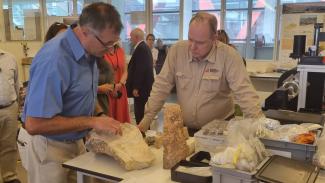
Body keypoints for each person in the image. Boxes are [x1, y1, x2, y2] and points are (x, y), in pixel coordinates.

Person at [22, 2, 123, 183]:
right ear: (85, 31)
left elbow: (82, 94)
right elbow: (34, 124)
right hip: (50, 148)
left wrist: (100, 116)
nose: (110, 51)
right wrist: (92, 121)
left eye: (113, 44)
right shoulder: (54, 59)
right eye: (107, 44)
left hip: (76, 142)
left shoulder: (90, 51)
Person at [139, 12, 263, 135]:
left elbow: (246, 95)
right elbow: (162, 86)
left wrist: (260, 130)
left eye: (200, 42)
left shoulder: (229, 56)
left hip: (219, 133)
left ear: (214, 39)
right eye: (190, 39)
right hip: (187, 130)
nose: (192, 47)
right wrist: (146, 119)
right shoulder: (177, 51)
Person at [126, 28, 154, 124]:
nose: (130, 39)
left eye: (131, 37)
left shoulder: (141, 48)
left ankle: (142, 134)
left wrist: (136, 87)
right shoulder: (144, 47)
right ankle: (144, 132)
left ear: (136, 37)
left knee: (140, 114)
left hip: (141, 88)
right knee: (142, 113)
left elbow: (140, 70)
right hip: (145, 87)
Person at [0, 49, 20, 183]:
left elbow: (16, 83)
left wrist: (16, 105)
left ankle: (10, 177)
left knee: (9, 146)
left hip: (9, 107)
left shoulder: (10, 58)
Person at [104, 43, 131, 123]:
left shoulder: (121, 51)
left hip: (120, 89)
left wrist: (120, 84)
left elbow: (125, 71)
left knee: (121, 119)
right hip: (107, 89)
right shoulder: (101, 51)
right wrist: (112, 87)